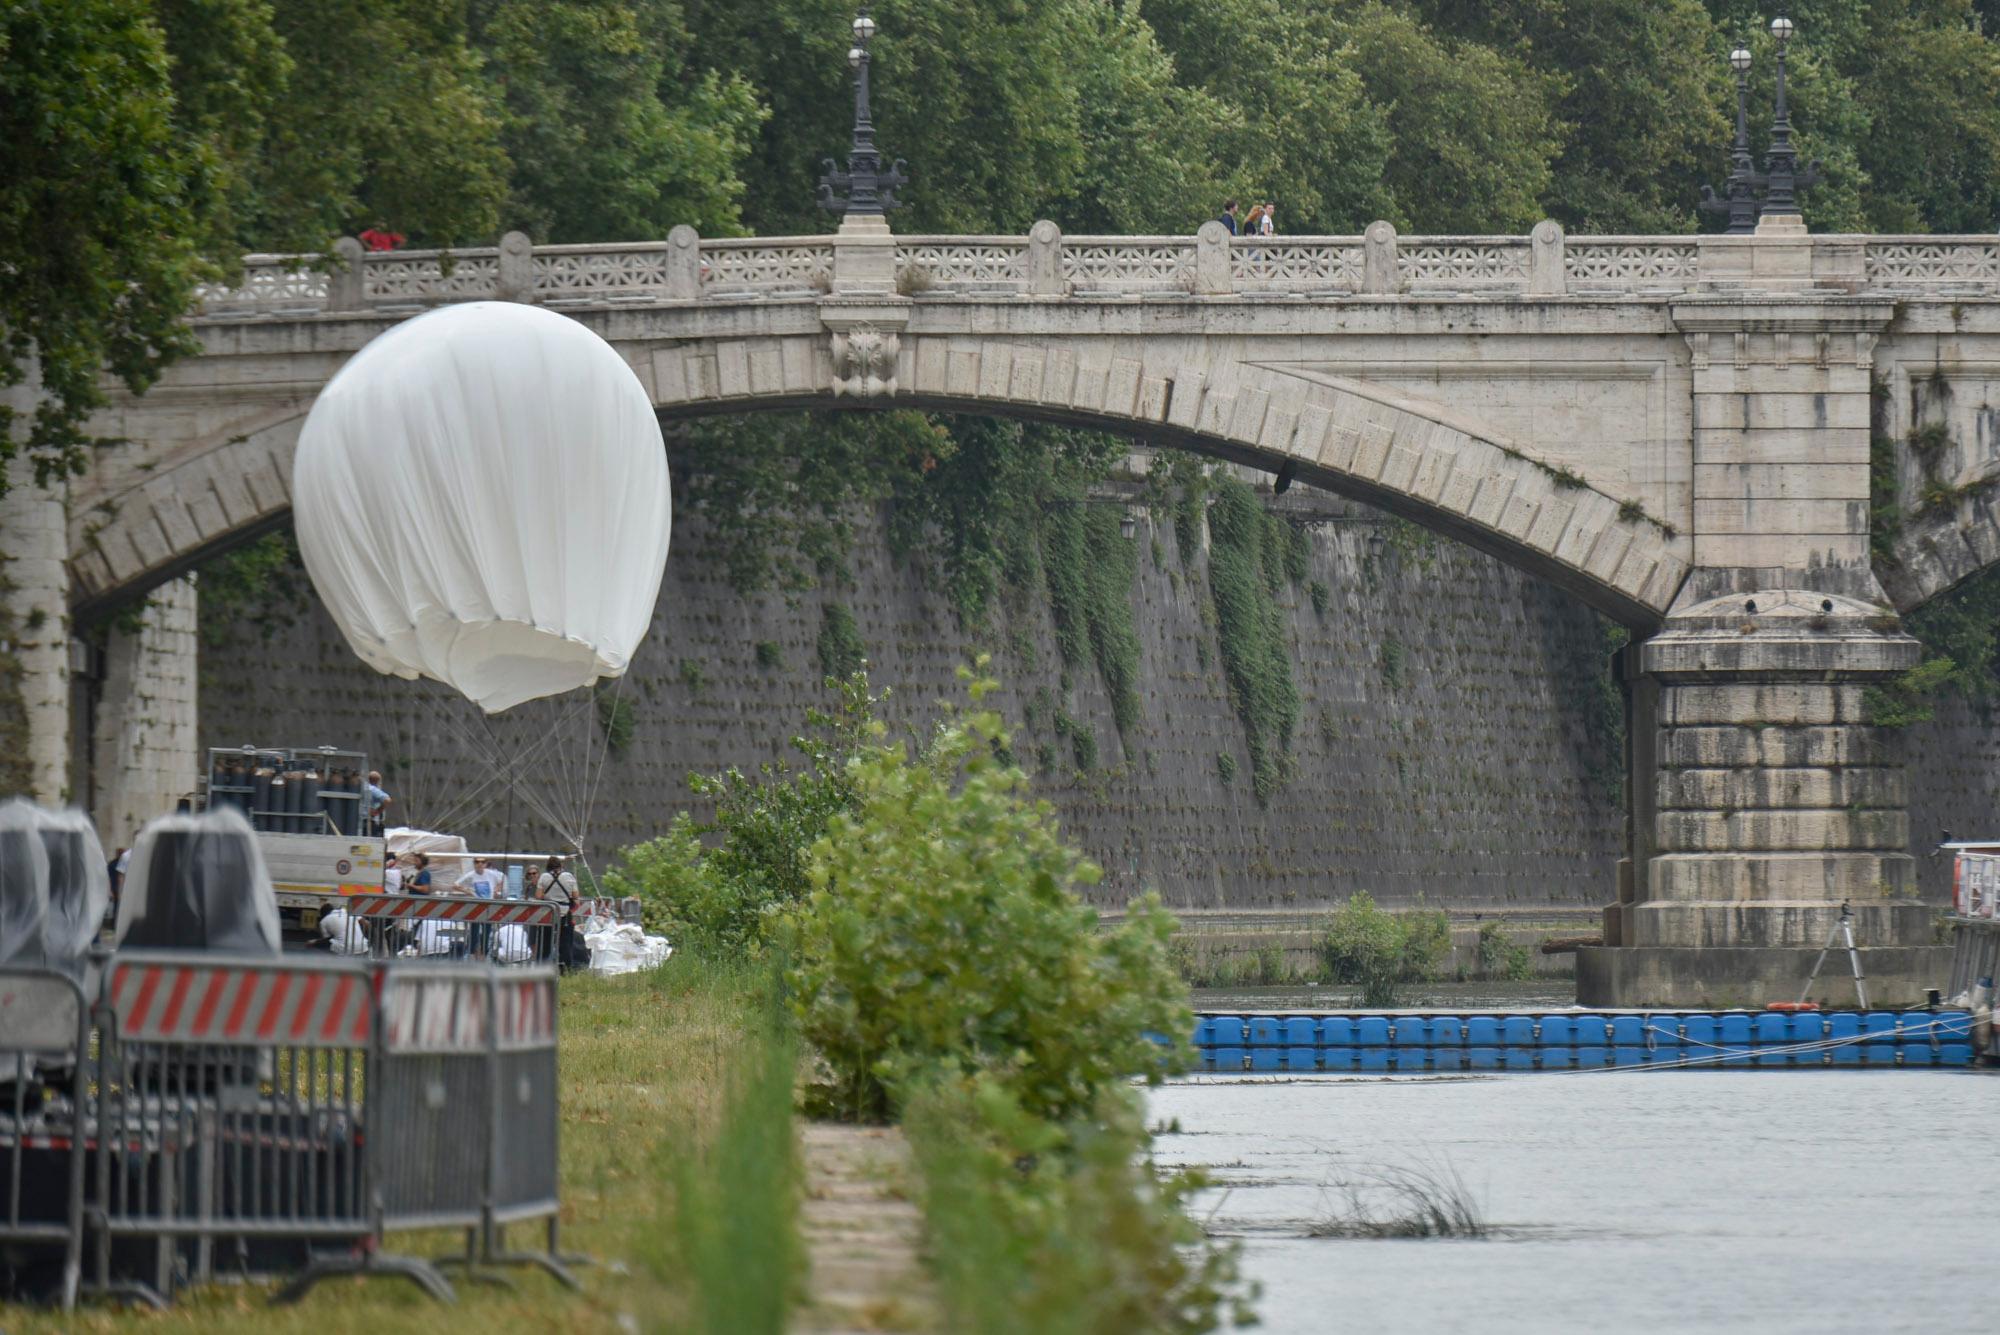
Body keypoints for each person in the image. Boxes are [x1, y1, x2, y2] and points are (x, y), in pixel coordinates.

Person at [535, 856, 580, 973]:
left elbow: (539, 896)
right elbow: (575, 895)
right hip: (565, 915)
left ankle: (542, 969)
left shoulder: (544, 877)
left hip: (549, 914)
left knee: (545, 943)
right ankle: (566, 969)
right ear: (561, 866)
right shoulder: (569, 877)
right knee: (566, 944)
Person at [456, 857, 504, 958]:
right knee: (474, 932)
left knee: (487, 933)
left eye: (482, 862)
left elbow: (501, 880)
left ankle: (484, 955)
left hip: (488, 907)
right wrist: (468, 891)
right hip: (476, 907)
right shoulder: (470, 875)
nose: (480, 864)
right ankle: (473, 955)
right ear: (474, 864)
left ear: (486, 864)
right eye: (477, 862)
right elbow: (456, 885)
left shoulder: (491, 874)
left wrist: (496, 890)